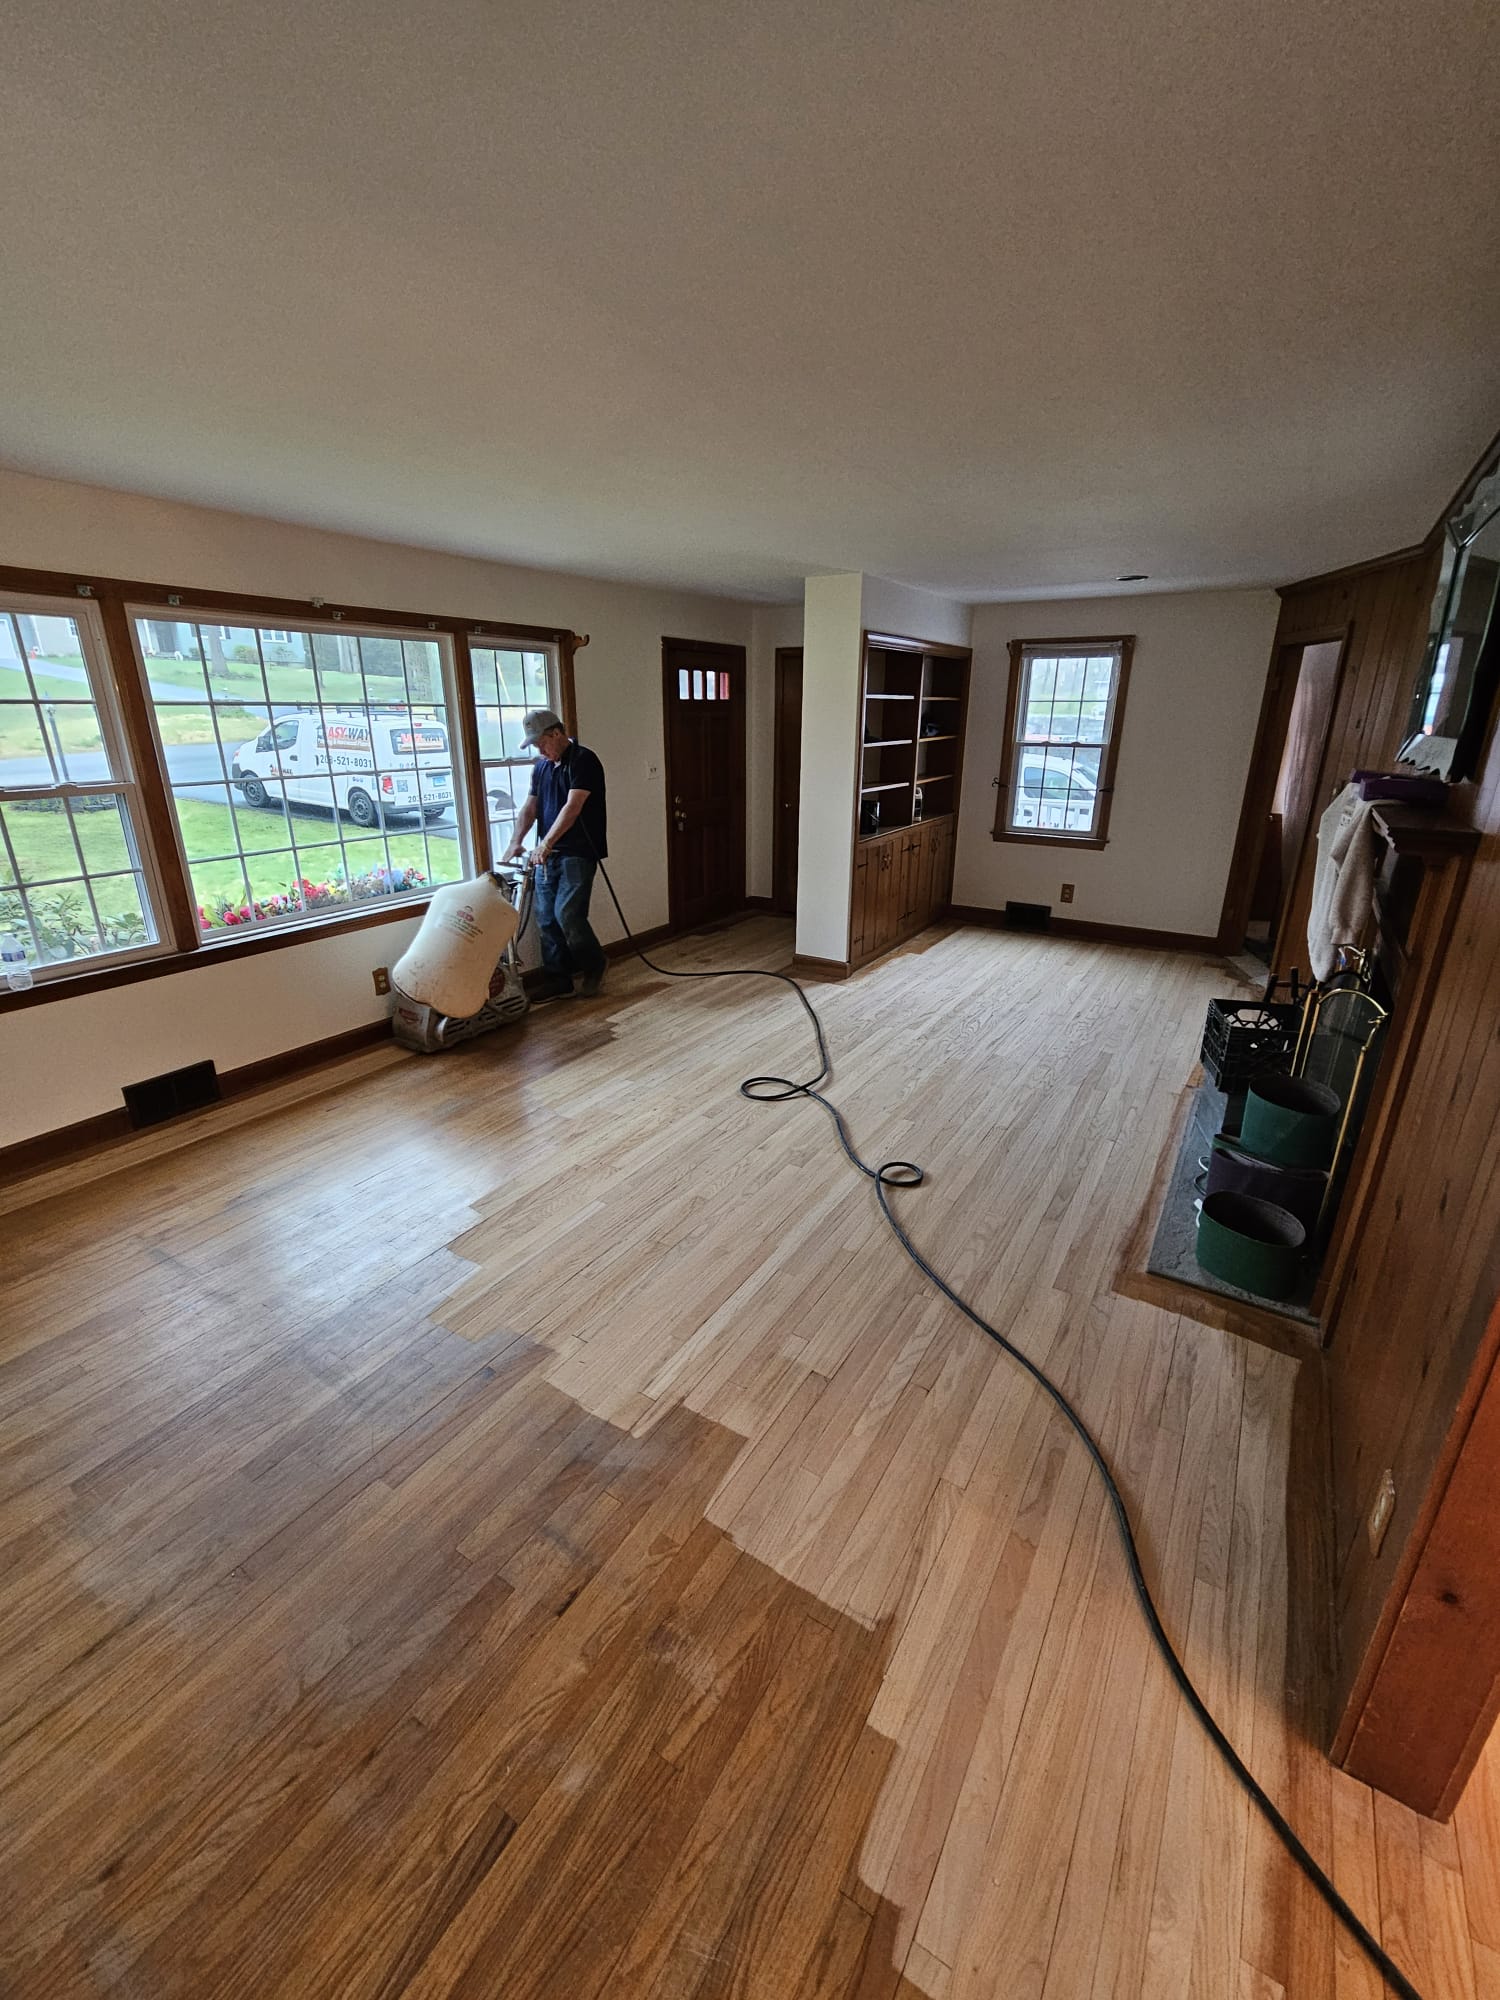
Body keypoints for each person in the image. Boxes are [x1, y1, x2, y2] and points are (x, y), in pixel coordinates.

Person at [500, 709, 609, 998]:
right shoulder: (542, 768)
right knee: (546, 917)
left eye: (541, 743)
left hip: (578, 852)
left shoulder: (584, 761)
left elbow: (573, 807)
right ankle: (559, 980)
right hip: (547, 856)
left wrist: (545, 844)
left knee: (568, 914)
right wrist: (515, 841)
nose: (539, 750)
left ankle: (595, 965)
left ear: (557, 733)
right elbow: (530, 807)